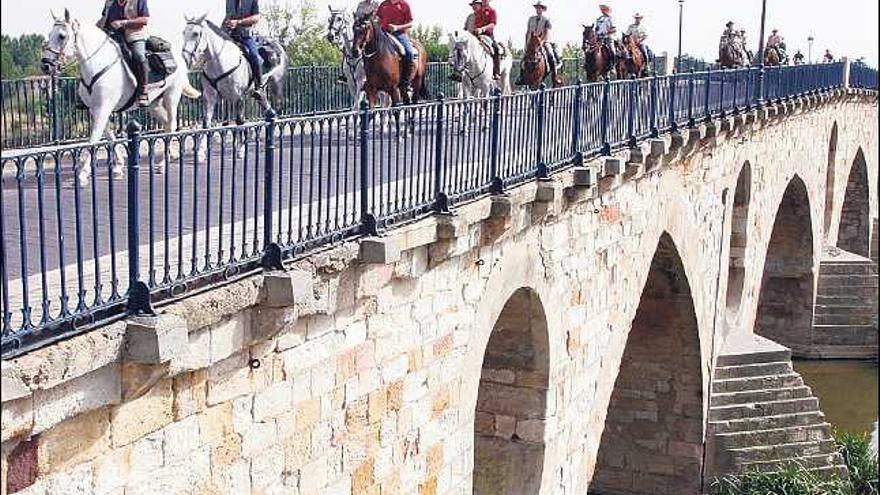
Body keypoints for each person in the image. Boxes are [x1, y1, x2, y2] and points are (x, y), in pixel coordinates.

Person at [98, 0, 151, 106]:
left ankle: (144, 89)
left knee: (139, 55)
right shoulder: (109, 3)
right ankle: (89, 92)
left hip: (134, 34)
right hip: (113, 35)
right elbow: (103, 20)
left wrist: (124, 22)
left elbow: (145, 19)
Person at [224, 0, 264, 97]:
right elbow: (227, 16)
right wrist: (226, 22)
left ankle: (259, 86)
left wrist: (238, 22)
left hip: (246, 36)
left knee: (255, 57)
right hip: (230, 35)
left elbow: (257, 17)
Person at [376, 0, 416, 95]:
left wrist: (397, 27)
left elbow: (410, 23)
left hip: (399, 34)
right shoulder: (383, 4)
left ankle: (406, 83)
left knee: (409, 53)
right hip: (383, 34)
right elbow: (377, 19)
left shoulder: (404, 4)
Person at [516, 0, 559, 86]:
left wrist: (541, 42)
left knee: (551, 56)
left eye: (540, 8)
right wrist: (526, 44)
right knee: (523, 58)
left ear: (543, 9)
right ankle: (521, 77)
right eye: (537, 8)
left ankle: (555, 77)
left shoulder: (546, 20)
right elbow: (528, 32)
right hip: (531, 42)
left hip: (544, 41)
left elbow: (546, 33)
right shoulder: (531, 19)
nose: (538, 10)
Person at [337, 0, 377, 84]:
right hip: (361, 28)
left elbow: (378, 18)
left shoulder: (376, 4)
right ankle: (344, 73)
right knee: (348, 47)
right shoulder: (361, 4)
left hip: (372, 29)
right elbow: (357, 17)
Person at [472, 0, 500, 80]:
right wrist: (476, 30)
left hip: (488, 35)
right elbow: (476, 23)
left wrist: (483, 29)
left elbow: (493, 24)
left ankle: (496, 72)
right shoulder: (478, 12)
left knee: (496, 49)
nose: (484, 1)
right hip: (477, 35)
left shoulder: (492, 11)